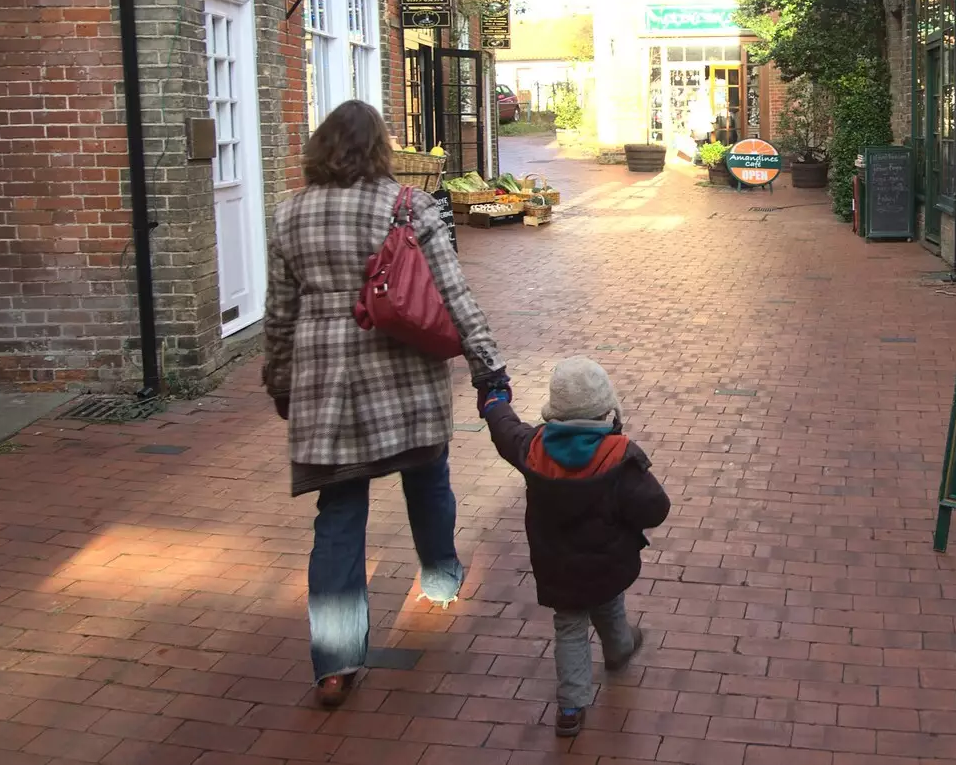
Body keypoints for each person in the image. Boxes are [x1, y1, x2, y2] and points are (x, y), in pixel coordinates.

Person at [262, 100, 509, 708]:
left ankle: (335, 663)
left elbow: (279, 312)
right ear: (379, 149)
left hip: (325, 382)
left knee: (339, 514)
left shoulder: (289, 212)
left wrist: (280, 379)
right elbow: (452, 292)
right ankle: (441, 575)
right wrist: (487, 366)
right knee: (427, 479)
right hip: (403, 371)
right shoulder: (406, 205)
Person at [478, 357, 670, 737]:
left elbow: (505, 429)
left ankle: (570, 707)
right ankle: (619, 650)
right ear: (607, 410)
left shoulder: (532, 447)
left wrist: (494, 400)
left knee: (569, 628)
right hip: (606, 565)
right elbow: (655, 508)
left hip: (557, 567)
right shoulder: (619, 456)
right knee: (609, 605)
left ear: (555, 411)